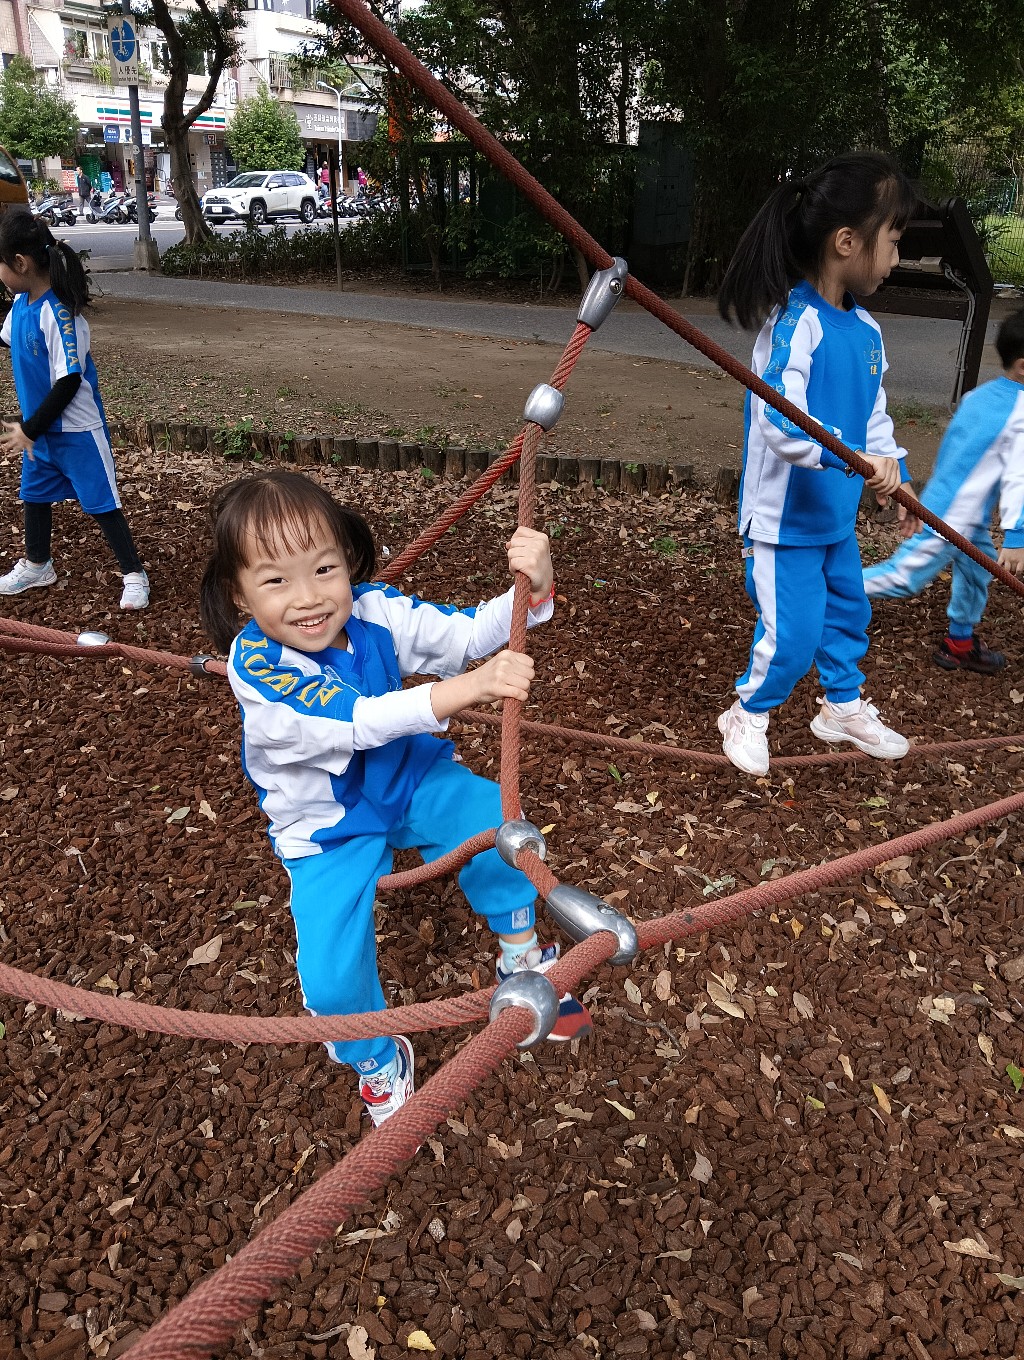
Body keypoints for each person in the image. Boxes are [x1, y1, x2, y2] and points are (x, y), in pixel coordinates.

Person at [199, 469, 591, 1126]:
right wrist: (469, 689)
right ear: (239, 593)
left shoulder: (374, 609)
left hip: (408, 779)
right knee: (330, 976)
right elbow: (357, 719)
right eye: (276, 581)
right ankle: (377, 1056)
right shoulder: (258, 667)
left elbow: (466, 635)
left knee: (497, 820)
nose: (309, 598)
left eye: (324, 569)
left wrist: (535, 586)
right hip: (328, 827)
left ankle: (521, 954)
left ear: (347, 559)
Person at [715, 151, 916, 776]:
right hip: (782, 522)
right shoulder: (793, 323)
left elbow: (873, 415)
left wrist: (897, 474)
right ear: (847, 241)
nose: (897, 258)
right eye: (893, 241)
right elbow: (780, 422)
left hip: (833, 516)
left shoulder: (867, 332)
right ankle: (747, 712)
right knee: (794, 633)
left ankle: (841, 708)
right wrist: (852, 457)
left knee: (849, 614)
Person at [0, 209, 149, 610]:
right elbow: (7, 339)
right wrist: (34, 429)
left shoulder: (60, 314)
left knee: (102, 503)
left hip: (77, 431)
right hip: (41, 430)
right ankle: (38, 565)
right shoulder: (21, 304)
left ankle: (134, 574)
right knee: (33, 496)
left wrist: (30, 428)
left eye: (0, 263)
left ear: (20, 263)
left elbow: (67, 382)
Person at [863, 308, 1024, 674]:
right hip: (952, 517)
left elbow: (956, 450)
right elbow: (1019, 477)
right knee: (903, 577)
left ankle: (958, 644)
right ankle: (817, 596)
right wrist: (1017, 536)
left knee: (977, 572)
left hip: (962, 511)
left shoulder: (981, 396)